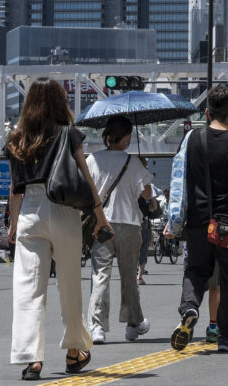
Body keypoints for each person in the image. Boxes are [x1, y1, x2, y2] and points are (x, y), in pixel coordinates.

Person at [6, 78, 110, 380]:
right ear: (58, 102)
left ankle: (32, 359)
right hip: (63, 209)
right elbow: (85, 176)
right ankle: (74, 350)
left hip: (30, 212)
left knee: (28, 288)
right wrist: (99, 214)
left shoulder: (17, 138)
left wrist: (13, 224)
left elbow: (16, 188)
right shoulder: (68, 133)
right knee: (69, 284)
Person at [169, 85, 228, 353]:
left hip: (198, 221)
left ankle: (189, 308)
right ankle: (227, 337)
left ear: (207, 112)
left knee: (195, 271)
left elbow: (180, 180)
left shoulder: (192, 140)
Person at [86, 115, 153, 344]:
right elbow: (147, 195)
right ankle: (132, 325)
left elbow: (85, 191)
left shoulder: (92, 160)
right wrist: (143, 170)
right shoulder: (133, 162)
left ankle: (97, 328)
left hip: (101, 223)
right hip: (129, 224)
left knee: (100, 275)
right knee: (129, 276)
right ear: (125, 137)